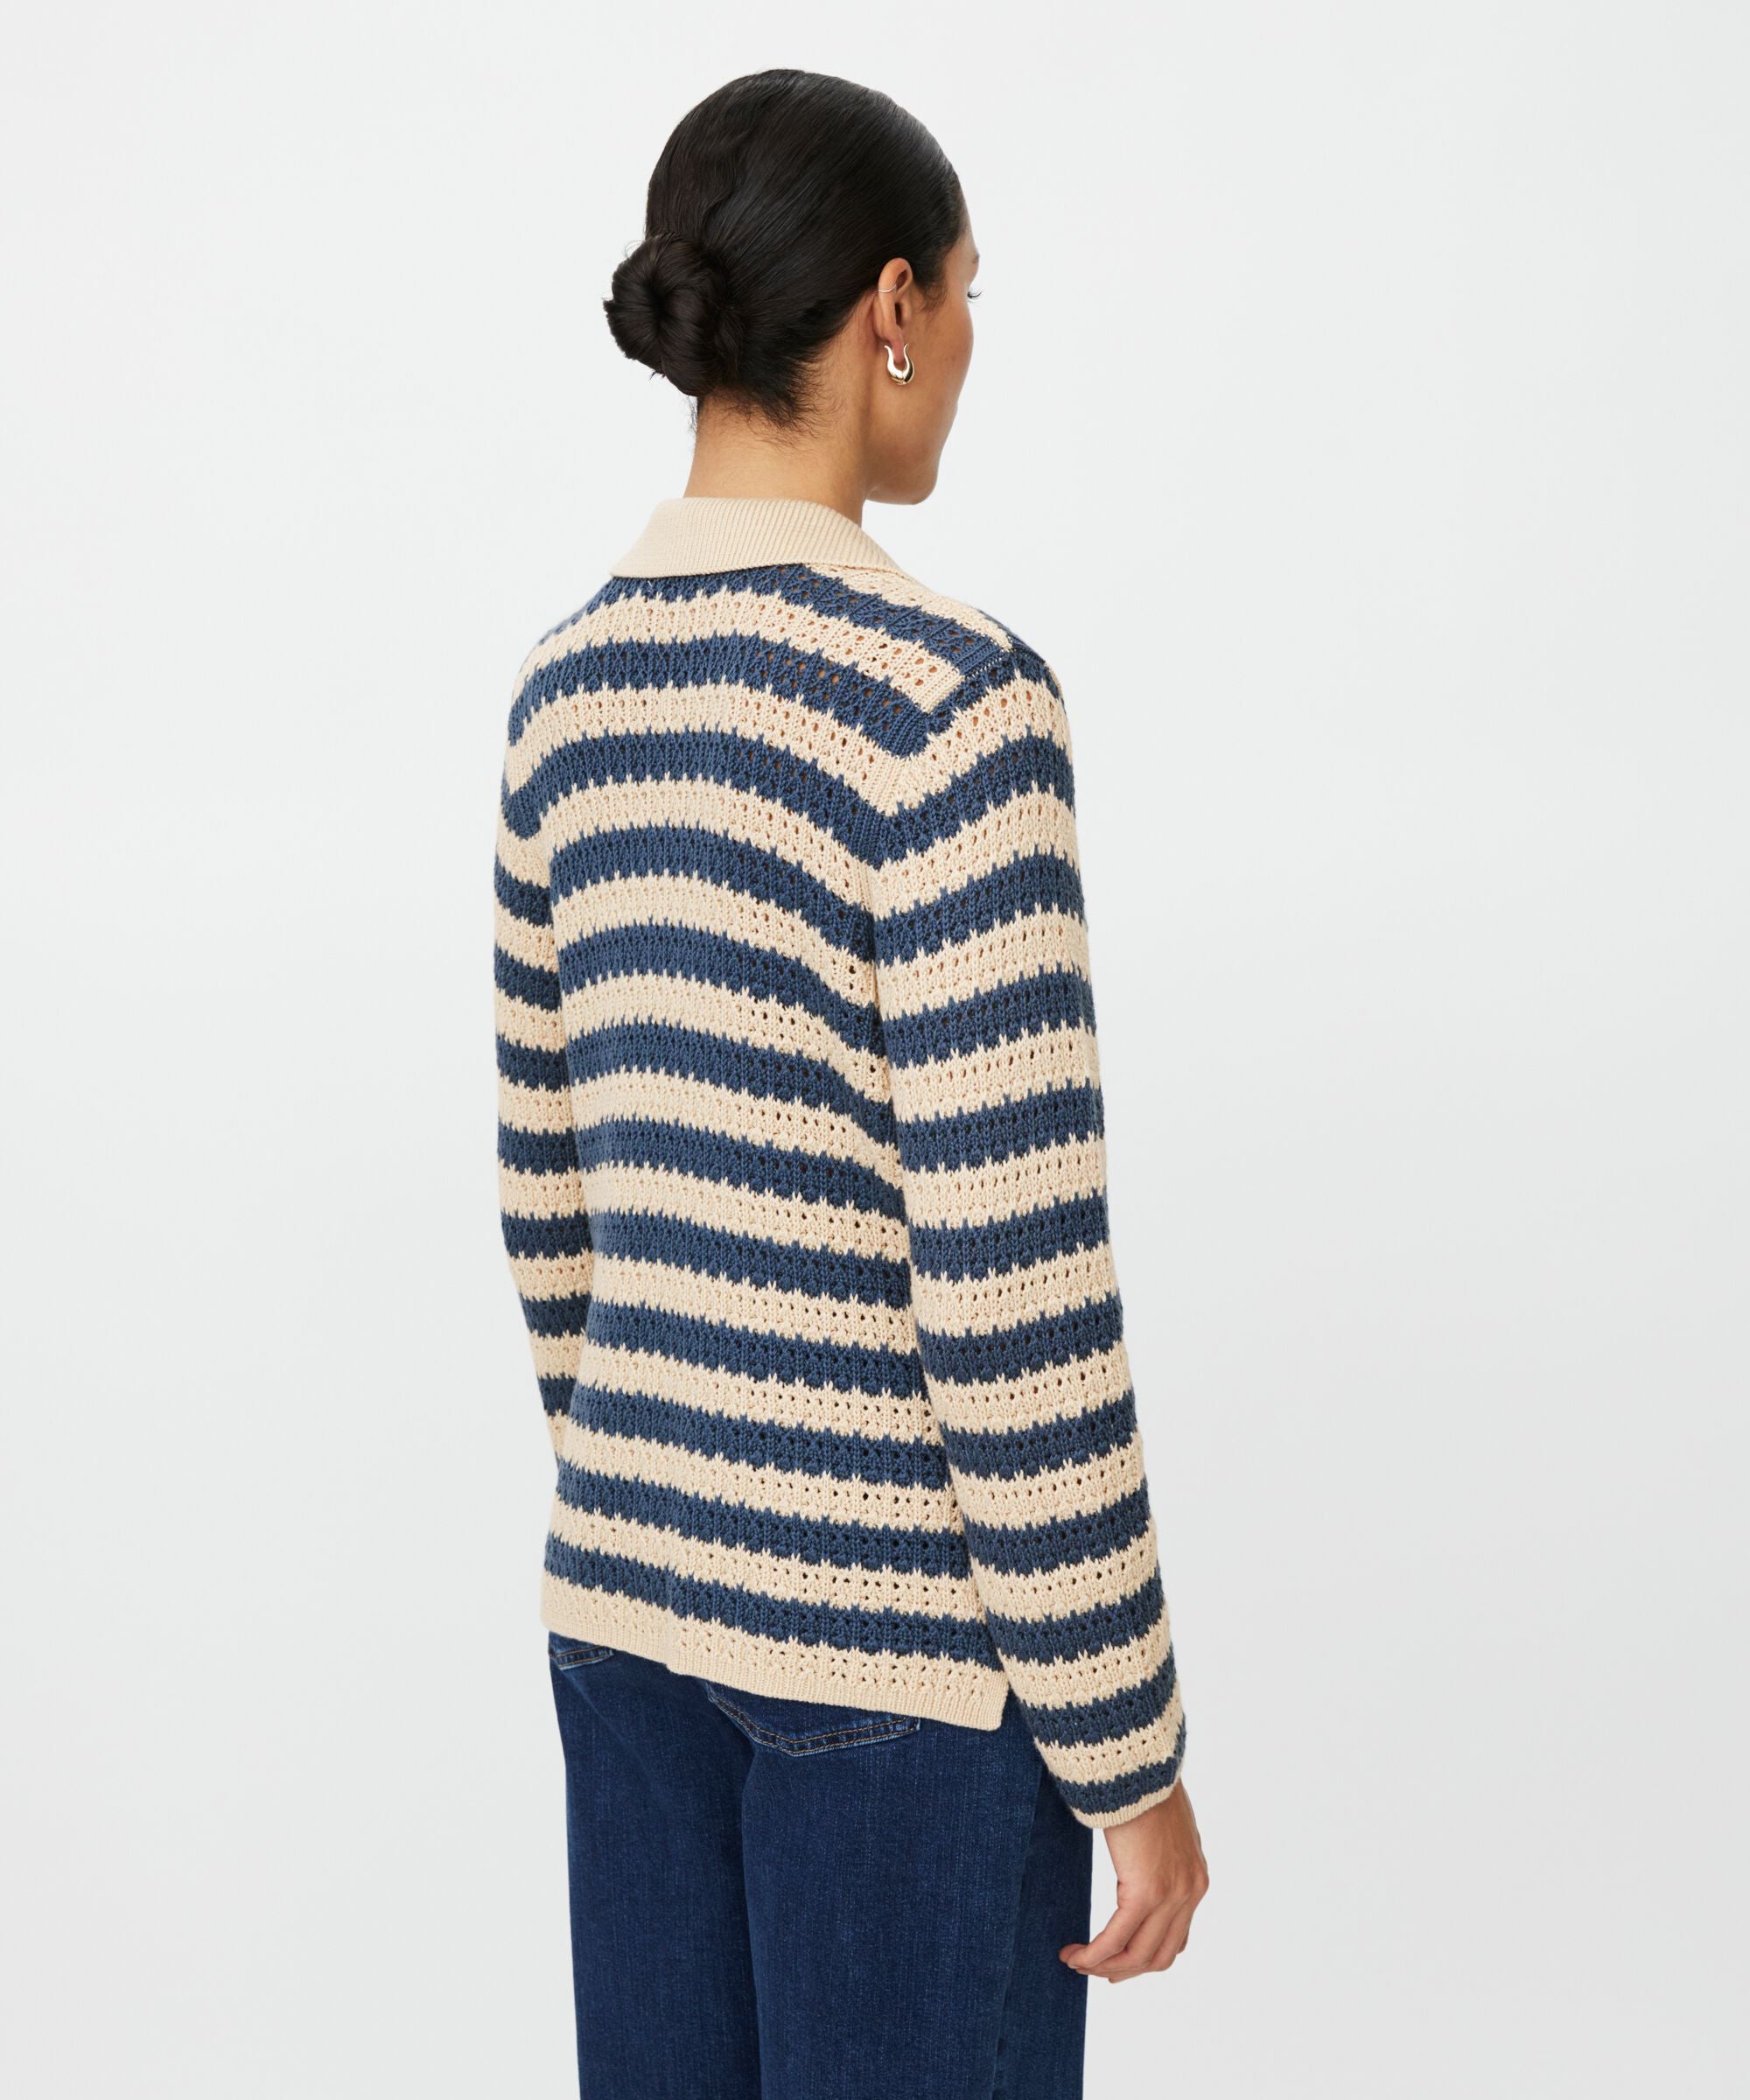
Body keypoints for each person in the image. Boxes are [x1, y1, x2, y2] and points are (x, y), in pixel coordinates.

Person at [494, 67, 1208, 2100]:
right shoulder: (948, 709)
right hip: (898, 1678)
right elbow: (1015, 1302)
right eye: (966, 295)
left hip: (626, 1615)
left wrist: (675, 1485)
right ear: (892, 305)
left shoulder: (567, 695)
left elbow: (553, 1208)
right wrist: (1129, 1753)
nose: (967, 344)